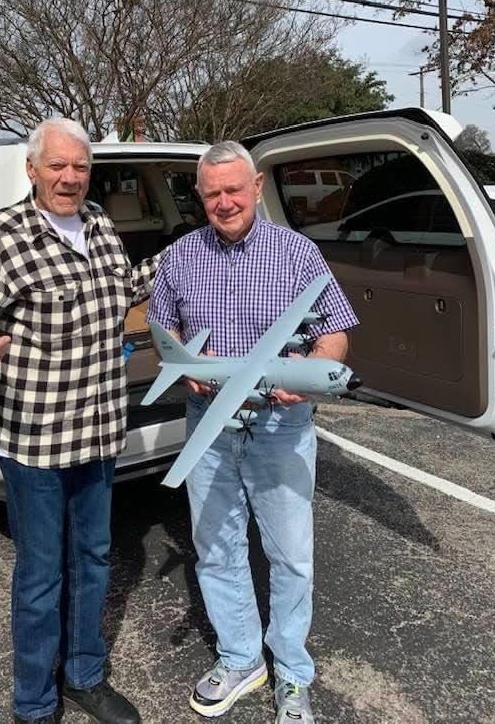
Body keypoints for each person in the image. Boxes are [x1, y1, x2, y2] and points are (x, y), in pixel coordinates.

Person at [0, 118, 160, 724]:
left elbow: (124, 290)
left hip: (98, 431)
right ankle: (34, 704)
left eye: (80, 167)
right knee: (41, 573)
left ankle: (84, 676)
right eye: (57, 166)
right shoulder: (2, 236)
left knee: (92, 557)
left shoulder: (100, 226)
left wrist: (189, 253)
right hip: (35, 438)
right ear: (33, 169)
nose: (69, 177)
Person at [147, 141, 358, 724]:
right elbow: (162, 330)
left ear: (256, 186)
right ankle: (242, 659)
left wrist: (311, 376)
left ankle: (292, 673)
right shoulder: (179, 258)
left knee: (291, 557)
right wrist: (190, 367)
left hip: (282, 428)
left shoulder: (298, 253)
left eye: (234, 189)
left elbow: (335, 334)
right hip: (210, 427)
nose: (225, 202)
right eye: (212, 193)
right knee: (216, 550)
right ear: (200, 196)